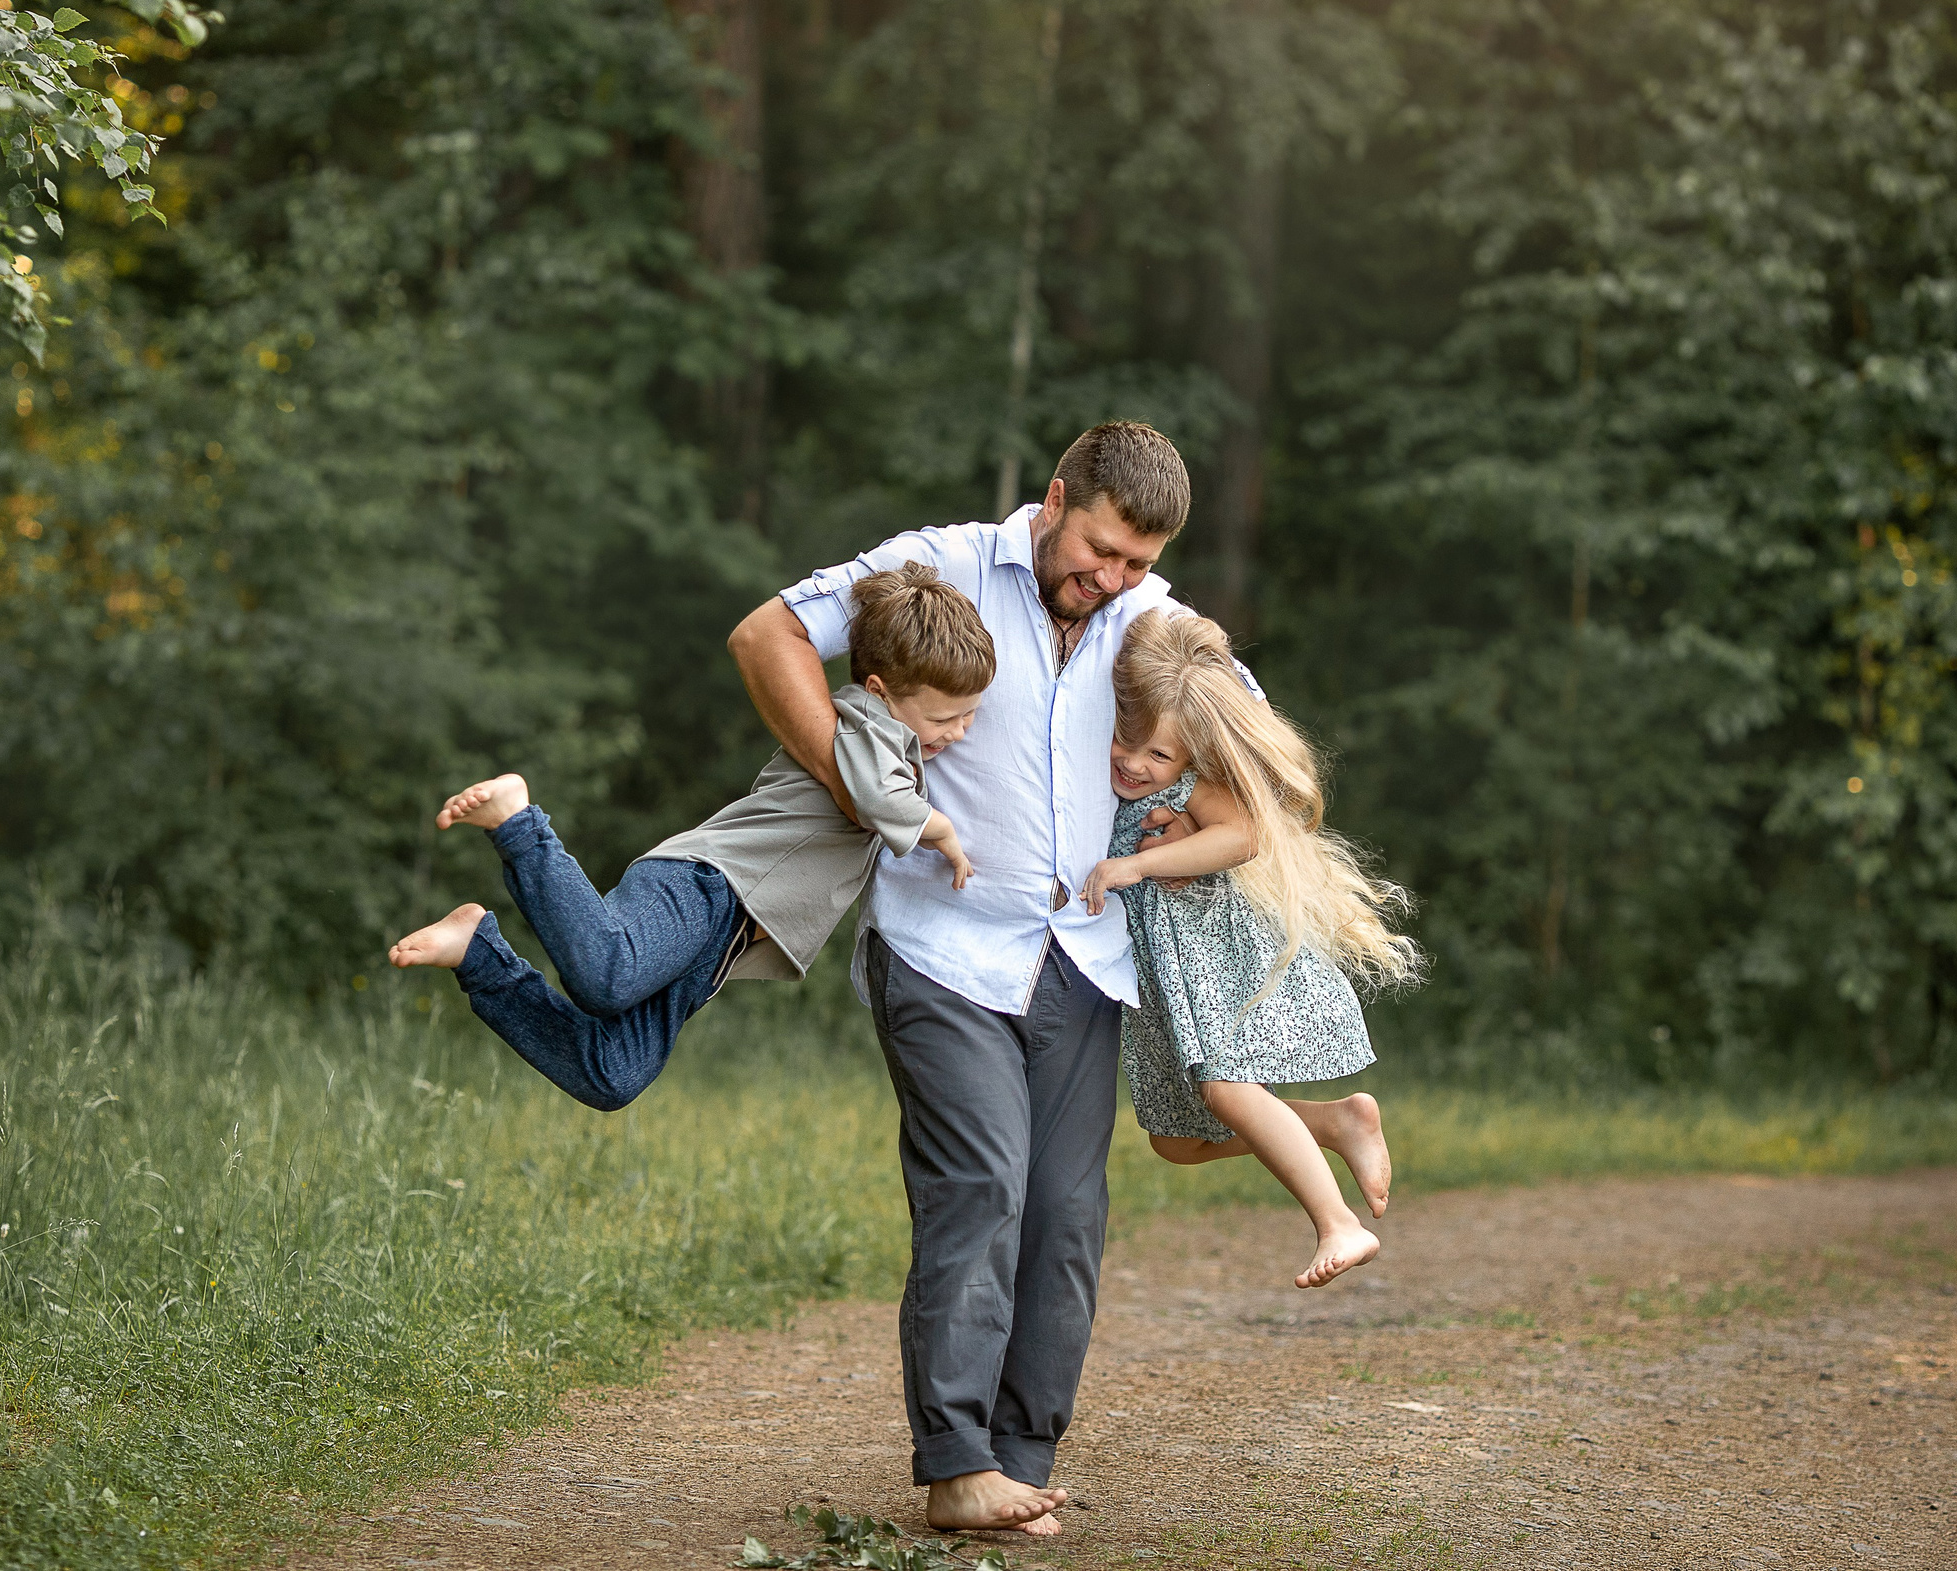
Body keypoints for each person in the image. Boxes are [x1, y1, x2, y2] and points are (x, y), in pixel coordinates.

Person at [727, 421, 1238, 1539]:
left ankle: (1018, 1461)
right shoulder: (943, 563)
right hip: (941, 949)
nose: (1107, 582)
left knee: (1064, 1218)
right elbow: (767, 633)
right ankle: (955, 1461)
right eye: (1097, 551)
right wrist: (861, 786)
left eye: (1136, 566)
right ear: (1055, 498)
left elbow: (1250, 756)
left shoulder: (1161, 626)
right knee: (983, 1186)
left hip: (1083, 960)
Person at [386, 565, 992, 1111]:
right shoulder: (866, 722)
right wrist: (943, 833)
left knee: (611, 1074)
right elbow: (877, 799)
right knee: (607, 971)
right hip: (706, 885)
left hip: (724, 935)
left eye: (970, 716)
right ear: (882, 690)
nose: (959, 733)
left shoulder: (894, 739)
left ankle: (479, 954)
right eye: (944, 718)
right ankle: (519, 822)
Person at [1079, 609, 1425, 1290]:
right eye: (1130, 740)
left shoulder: (1190, 787)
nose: (1136, 763)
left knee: (1226, 1090)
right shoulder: (1108, 758)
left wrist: (1141, 865)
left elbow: (1243, 836)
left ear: (1188, 758)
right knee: (1174, 1141)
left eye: (1160, 755)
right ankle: (1334, 1119)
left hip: (1213, 962)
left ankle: (1337, 1220)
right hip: (1166, 985)